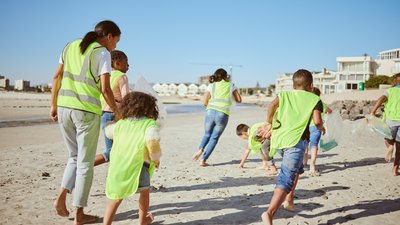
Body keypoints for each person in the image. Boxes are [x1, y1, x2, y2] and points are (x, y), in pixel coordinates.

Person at [50, 20, 121, 225]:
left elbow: (57, 76)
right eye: (116, 41)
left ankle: (61, 196)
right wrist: (117, 112)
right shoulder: (102, 53)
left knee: (73, 157)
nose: (115, 46)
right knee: (84, 164)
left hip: (64, 108)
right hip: (86, 112)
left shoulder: (69, 46)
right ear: (108, 36)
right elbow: (105, 89)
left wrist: (53, 105)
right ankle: (79, 214)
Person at [261, 69, 325, 225]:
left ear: (294, 84)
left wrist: (269, 122)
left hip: (280, 139)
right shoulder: (314, 98)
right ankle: (269, 213)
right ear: (310, 85)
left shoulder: (284, 95)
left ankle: (289, 199)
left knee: (295, 170)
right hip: (296, 142)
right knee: (286, 178)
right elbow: (316, 122)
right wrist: (322, 127)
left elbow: (271, 106)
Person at [103, 91, 161, 225]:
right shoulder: (149, 124)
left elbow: (108, 132)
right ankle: (142, 221)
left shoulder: (121, 124)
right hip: (139, 166)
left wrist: (114, 121)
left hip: (119, 165)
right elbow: (153, 143)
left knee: (115, 197)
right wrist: (156, 160)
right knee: (144, 192)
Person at [192, 68, 242, 166]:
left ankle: (200, 149)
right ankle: (203, 160)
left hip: (210, 111)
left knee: (207, 134)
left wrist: (211, 108)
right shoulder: (231, 85)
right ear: (225, 76)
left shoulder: (212, 85)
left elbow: (204, 101)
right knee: (214, 138)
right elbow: (239, 100)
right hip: (222, 113)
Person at [94, 50, 130, 166]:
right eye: (126, 62)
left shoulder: (105, 76)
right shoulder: (122, 77)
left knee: (114, 150)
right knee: (112, 151)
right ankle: (86, 165)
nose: (128, 66)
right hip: (116, 115)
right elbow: (126, 98)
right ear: (117, 63)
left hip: (103, 115)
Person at [371, 73, 400, 176]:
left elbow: (380, 99)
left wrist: (373, 112)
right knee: (399, 148)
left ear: (395, 82)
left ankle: (389, 146)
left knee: (388, 140)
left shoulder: (390, 91)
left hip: (391, 121)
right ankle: (395, 170)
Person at [303, 87, 332, 175]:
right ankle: (312, 165)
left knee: (305, 145)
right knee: (314, 146)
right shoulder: (321, 103)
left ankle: (304, 163)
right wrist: (325, 119)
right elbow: (330, 111)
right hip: (317, 127)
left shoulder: (307, 103)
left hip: (306, 127)